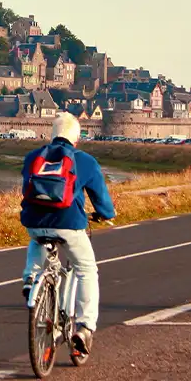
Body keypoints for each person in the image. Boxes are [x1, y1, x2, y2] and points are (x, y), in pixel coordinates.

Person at [20, 112, 116, 356]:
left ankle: (31, 279)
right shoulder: (84, 161)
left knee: (37, 239)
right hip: (68, 224)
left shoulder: (33, 157)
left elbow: (26, 190)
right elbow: (101, 199)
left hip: (34, 221)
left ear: (52, 134)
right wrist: (105, 214)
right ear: (77, 138)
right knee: (86, 269)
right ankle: (85, 328)